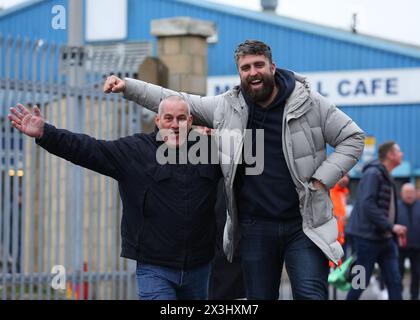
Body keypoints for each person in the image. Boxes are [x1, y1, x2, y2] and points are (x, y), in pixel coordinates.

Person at [103, 39, 365, 300]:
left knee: (311, 295)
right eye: (245, 67)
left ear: (272, 67)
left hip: (304, 224)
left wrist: (321, 179)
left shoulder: (308, 102)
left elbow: (353, 137)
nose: (253, 72)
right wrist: (128, 86)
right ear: (239, 73)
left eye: (258, 65)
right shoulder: (227, 107)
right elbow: (177, 100)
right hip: (255, 227)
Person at [8, 96, 221, 300]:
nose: (175, 124)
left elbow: (246, 158)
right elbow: (87, 149)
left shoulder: (210, 150)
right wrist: (46, 133)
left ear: (190, 121)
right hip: (155, 269)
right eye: (168, 118)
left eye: (181, 118)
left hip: (199, 268)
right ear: (157, 120)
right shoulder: (135, 151)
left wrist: (219, 133)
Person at [346, 141, 407, 300]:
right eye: (399, 151)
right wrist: (391, 226)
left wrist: (392, 229)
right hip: (367, 239)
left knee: (395, 281)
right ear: (390, 155)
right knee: (360, 282)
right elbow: (367, 204)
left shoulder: (387, 175)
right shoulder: (373, 173)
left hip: (386, 239)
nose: (402, 154)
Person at [396, 183, 420, 300]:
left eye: (411, 192)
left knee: (417, 273)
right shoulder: (396, 207)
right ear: (402, 194)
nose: (409, 195)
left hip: (417, 247)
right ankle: (397, 295)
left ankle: (414, 296)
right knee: (398, 273)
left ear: (415, 193)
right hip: (400, 247)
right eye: (406, 192)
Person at [330, 174, 350, 247]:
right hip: (331, 236)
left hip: (342, 234)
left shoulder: (345, 192)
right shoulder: (329, 190)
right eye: (343, 176)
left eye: (347, 176)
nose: (346, 179)